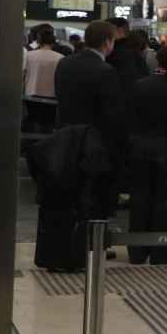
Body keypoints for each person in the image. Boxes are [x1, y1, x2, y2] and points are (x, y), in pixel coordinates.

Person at [126, 43, 167, 265]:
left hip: (140, 149)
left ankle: (137, 251)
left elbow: (131, 116)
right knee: (164, 201)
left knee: (139, 198)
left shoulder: (139, 85)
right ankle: (161, 252)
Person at [55, 20, 128, 217]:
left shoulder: (64, 63)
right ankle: (94, 244)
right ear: (107, 42)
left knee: (70, 199)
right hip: (95, 146)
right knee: (96, 200)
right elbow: (112, 115)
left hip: (65, 141)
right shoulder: (106, 72)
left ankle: (73, 243)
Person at [23, 25, 65, 132]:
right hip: (52, 96)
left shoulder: (29, 55)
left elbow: (23, 74)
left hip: (31, 94)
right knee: (48, 124)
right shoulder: (60, 58)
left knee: (32, 121)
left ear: (38, 40)